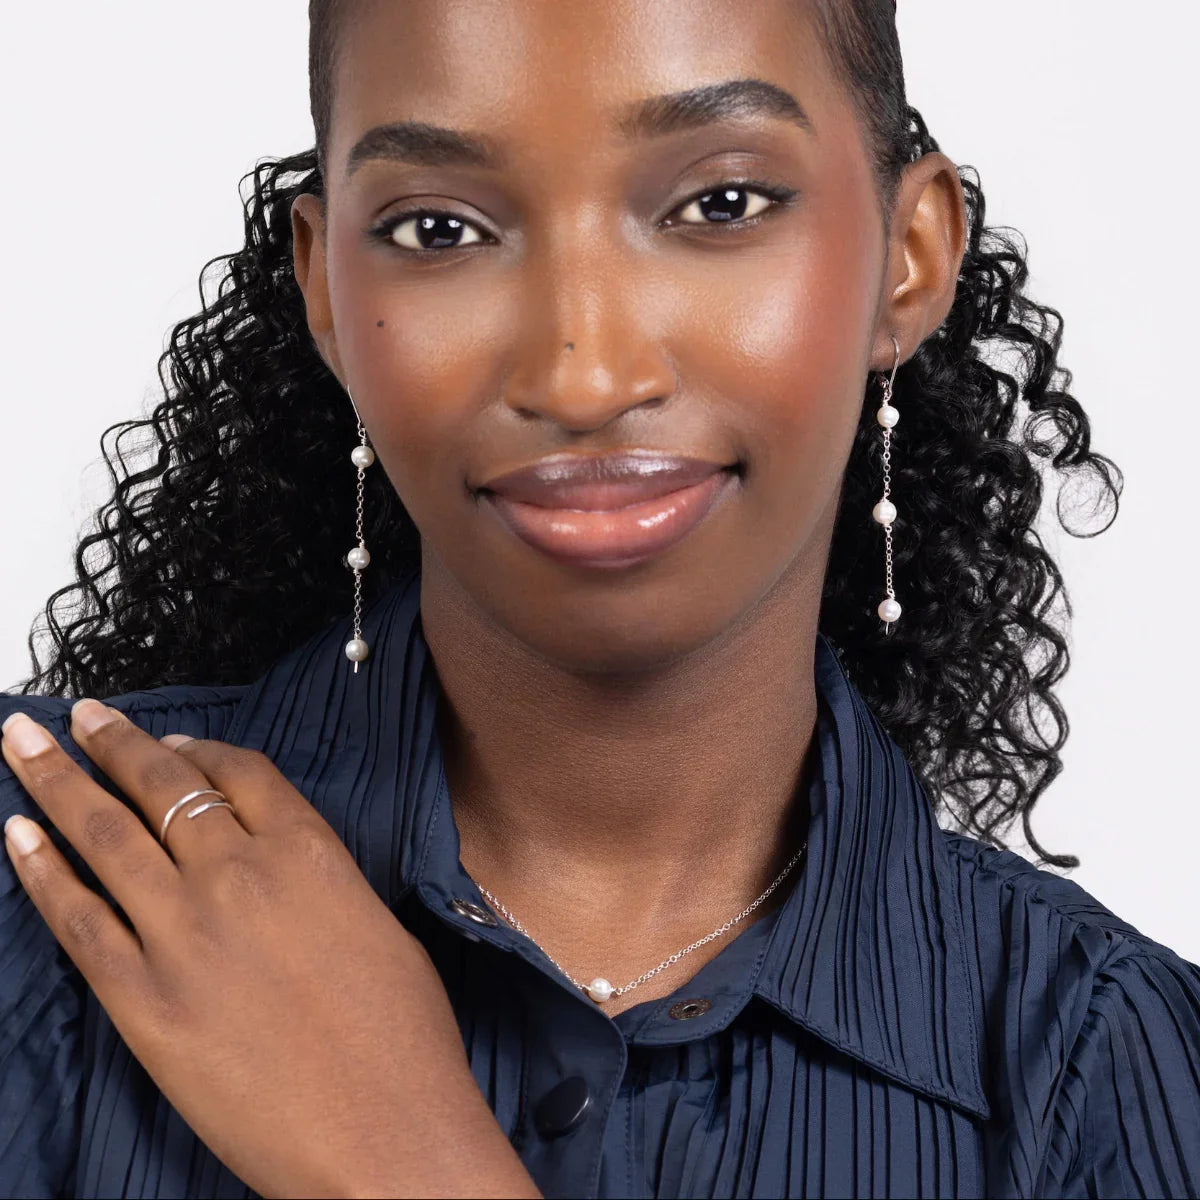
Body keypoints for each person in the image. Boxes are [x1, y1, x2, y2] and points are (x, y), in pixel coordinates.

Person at [1, 1, 1198, 1197]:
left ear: (909, 256)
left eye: (721, 204)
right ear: (326, 287)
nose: (583, 377)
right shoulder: (29, 891)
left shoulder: (1111, 1067)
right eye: (437, 227)